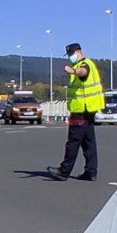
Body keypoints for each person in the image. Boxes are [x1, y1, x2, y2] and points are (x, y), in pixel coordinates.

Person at [48, 43, 104, 181]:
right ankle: (91, 171)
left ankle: (64, 171)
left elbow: (83, 72)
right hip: (89, 109)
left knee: (73, 141)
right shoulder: (87, 64)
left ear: (78, 52)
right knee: (88, 142)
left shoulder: (84, 65)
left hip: (81, 109)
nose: (70, 57)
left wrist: (74, 71)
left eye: (71, 54)